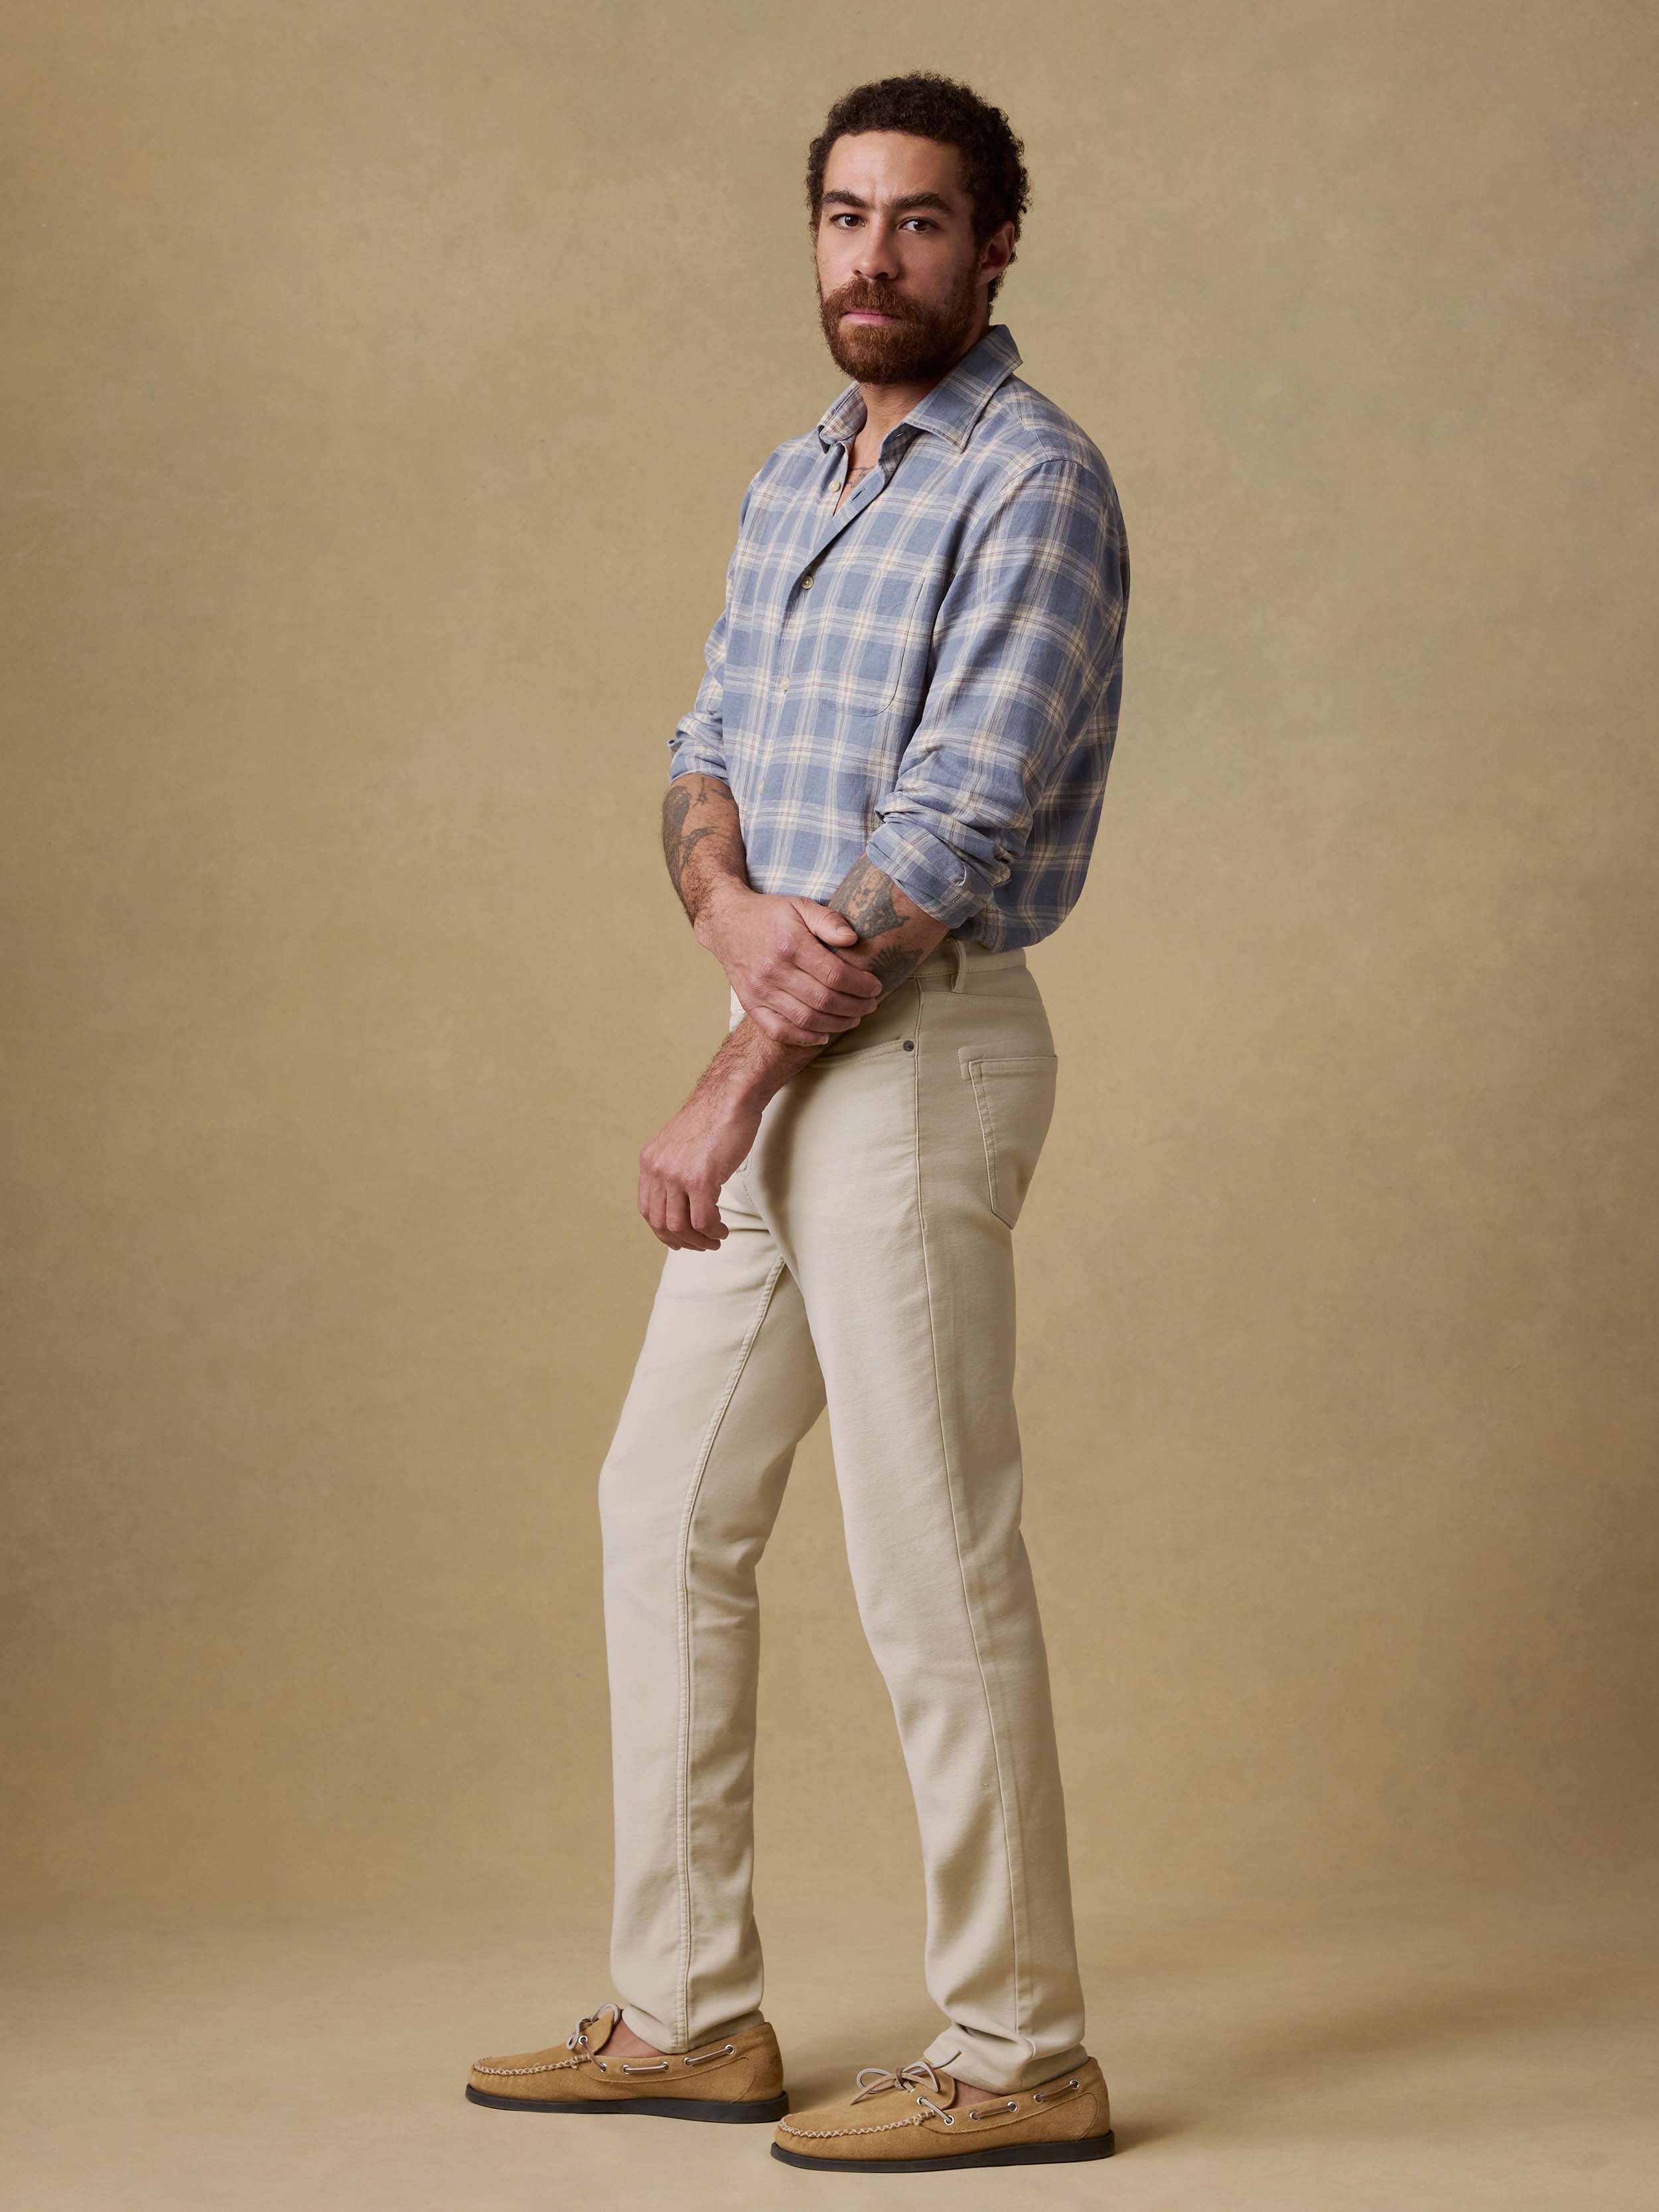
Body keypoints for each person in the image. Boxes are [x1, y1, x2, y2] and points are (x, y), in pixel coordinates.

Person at [465, 69, 1129, 2174]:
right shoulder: (792, 476)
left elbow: (947, 827)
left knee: (932, 1556)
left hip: (914, 1052)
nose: (872, 258)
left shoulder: (1031, 480)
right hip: (793, 1023)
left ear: (995, 244)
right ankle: (685, 2017)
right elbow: (704, 743)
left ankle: (1023, 2052)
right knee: (659, 1514)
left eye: (919, 221)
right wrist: (726, 905)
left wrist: (730, 1065)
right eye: (843, 217)